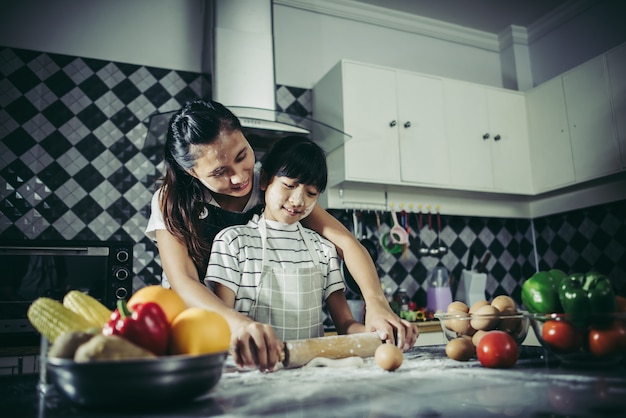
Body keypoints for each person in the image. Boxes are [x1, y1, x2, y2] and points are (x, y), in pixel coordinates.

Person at [145, 100, 418, 370]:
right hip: (193, 329)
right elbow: (183, 280)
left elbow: (346, 242)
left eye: (242, 156)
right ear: (191, 172)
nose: (240, 178)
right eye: (219, 172)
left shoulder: (272, 191)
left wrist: (376, 304)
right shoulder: (171, 200)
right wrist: (239, 322)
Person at [206, 137, 367, 369]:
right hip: (253, 375)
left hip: (311, 377)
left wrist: (377, 335)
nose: (298, 200)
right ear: (264, 181)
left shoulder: (323, 249)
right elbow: (221, 324)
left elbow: (345, 324)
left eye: (311, 193)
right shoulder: (233, 242)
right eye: (289, 186)